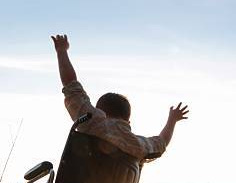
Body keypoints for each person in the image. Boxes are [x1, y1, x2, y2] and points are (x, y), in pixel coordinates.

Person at [51, 33, 188, 161]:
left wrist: (61, 51)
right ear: (128, 121)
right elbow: (162, 142)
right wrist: (172, 120)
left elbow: (71, 86)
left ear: (101, 112)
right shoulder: (140, 146)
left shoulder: (93, 123)